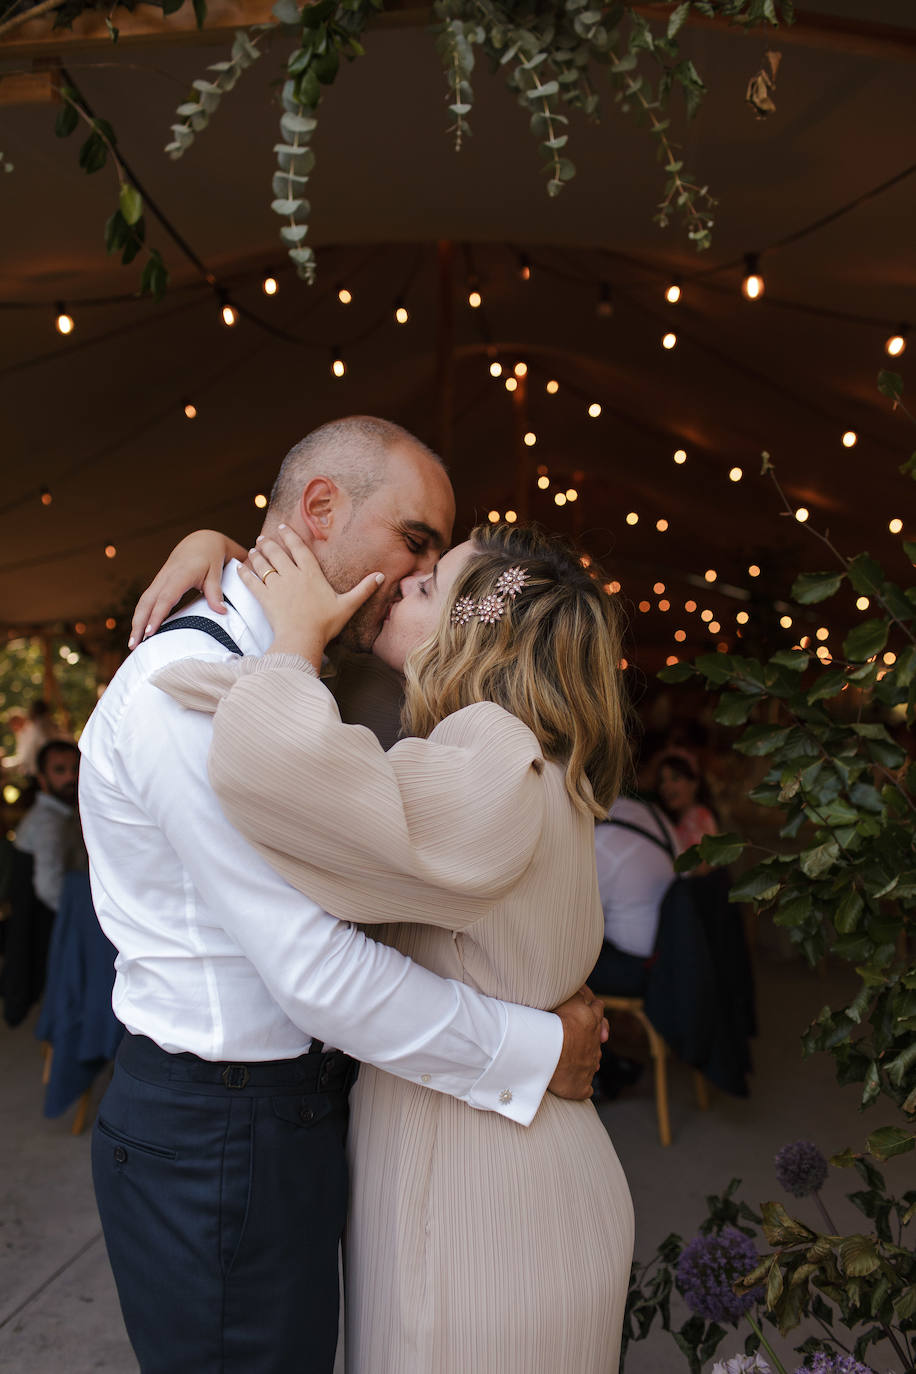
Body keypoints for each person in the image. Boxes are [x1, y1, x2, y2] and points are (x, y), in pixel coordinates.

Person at [79, 416, 609, 1374]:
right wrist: (535, 1046)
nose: (424, 573)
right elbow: (315, 969)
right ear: (321, 507)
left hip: (304, 1121)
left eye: (440, 560)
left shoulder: (327, 684)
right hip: (221, 1136)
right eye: (419, 541)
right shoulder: (183, 687)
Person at [14, 739, 87, 912]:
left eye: (75, 769)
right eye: (59, 770)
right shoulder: (48, 822)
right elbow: (50, 888)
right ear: (42, 778)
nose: (71, 777)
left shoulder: (68, 813)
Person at [655, 749, 719, 854]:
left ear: (694, 783)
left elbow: (701, 866)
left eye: (675, 778)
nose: (665, 787)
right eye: (662, 781)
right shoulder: (676, 819)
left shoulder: (699, 816)